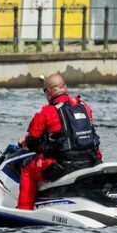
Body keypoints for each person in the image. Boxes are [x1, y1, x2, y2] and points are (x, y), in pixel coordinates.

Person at [16, 72, 102, 210]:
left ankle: (23, 210)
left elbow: (32, 142)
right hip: (91, 161)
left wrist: (23, 142)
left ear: (48, 91)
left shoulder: (46, 112)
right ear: (65, 87)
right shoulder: (84, 107)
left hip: (64, 165)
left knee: (27, 168)